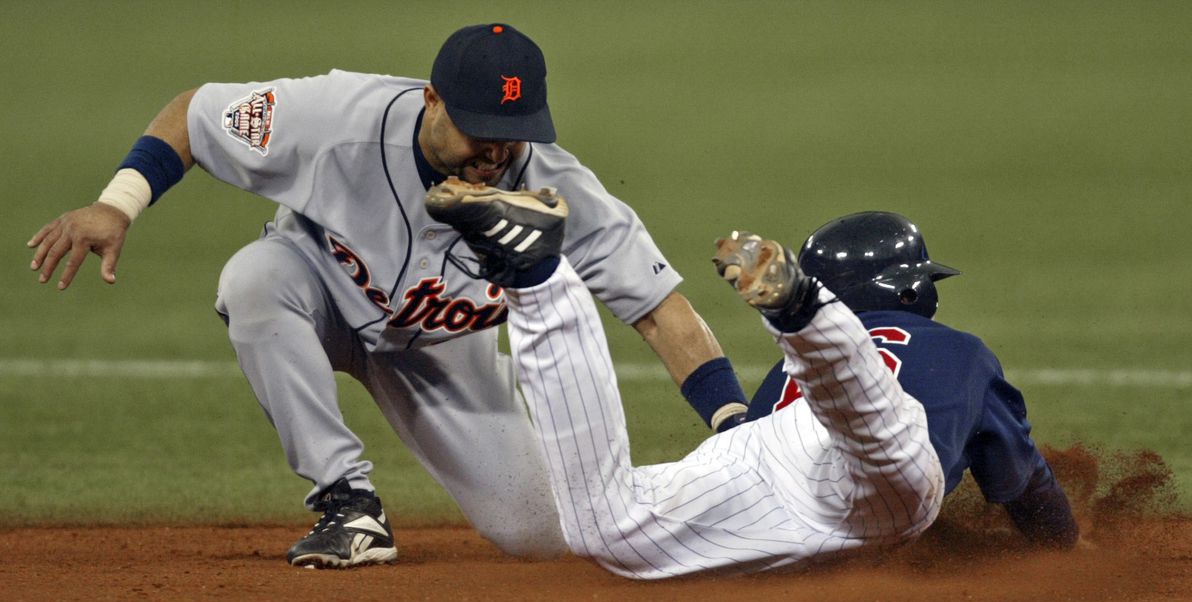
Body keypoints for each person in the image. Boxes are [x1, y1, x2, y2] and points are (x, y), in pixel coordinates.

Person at [25, 23, 751, 568]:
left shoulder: (555, 190)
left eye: (513, 133)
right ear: (431, 98)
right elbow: (194, 113)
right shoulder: (337, 118)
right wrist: (117, 204)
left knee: (541, 536)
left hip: (441, 356)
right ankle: (348, 501)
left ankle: (711, 514)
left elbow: (661, 309)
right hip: (316, 298)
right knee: (254, 279)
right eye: (479, 131)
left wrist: (734, 425)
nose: (495, 154)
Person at [425, 188, 948, 579]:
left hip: (772, 463)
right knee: (884, 447)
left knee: (606, 529)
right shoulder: (957, 351)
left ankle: (535, 278)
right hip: (852, 480)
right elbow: (1014, 475)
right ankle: (803, 312)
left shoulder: (785, 390)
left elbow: (757, 434)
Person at [743, 211, 1080, 549]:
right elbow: (1023, 483)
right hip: (868, 526)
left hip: (747, 521)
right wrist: (1064, 542)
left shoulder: (785, 368)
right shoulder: (960, 351)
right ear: (907, 290)